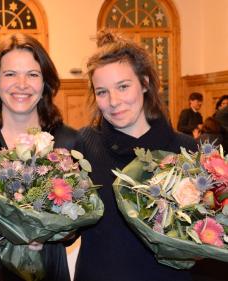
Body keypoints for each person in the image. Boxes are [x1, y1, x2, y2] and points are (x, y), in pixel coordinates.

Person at [74, 30, 196, 281]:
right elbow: (70, 224)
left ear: (144, 83)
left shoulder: (187, 151)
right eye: (102, 92)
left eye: (123, 86)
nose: (114, 101)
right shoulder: (84, 145)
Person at [0, 33, 76, 281]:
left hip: (46, 259)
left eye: (32, 74)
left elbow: (77, 219)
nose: (22, 84)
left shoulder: (68, 141)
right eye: (10, 74)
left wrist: (54, 234)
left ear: (45, 84)